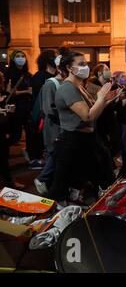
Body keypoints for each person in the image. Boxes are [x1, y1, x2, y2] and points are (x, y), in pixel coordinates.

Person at [49, 51, 119, 206]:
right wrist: (101, 98)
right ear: (69, 67)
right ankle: (57, 219)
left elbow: (94, 110)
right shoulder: (67, 88)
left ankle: (106, 208)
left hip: (87, 140)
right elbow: (87, 116)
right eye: (81, 64)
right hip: (73, 141)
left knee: (103, 174)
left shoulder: (79, 86)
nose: (85, 67)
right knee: (61, 185)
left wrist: (107, 100)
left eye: (86, 64)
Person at [34, 48, 69, 195]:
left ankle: (51, 188)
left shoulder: (65, 83)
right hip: (53, 127)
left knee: (57, 157)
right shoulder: (50, 84)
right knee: (54, 155)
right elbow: (49, 109)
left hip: (61, 127)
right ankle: (42, 180)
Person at [28, 50, 58, 169]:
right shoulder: (40, 76)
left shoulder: (54, 76)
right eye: (54, 58)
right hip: (44, 113)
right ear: (48, 60)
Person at [5, 51, 34, 162]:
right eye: (18, 56)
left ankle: (31, 154)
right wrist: (27, 91)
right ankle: (3, 151)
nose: (21, 58)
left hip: (27, 108)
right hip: (15, 108)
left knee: (30, 133)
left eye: (23, 56)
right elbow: (10, 92)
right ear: (13, 59)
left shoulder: (28, 74)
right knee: (15, 136)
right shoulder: (9, 74)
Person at [0, 71, 23, 189]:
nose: (3, 81)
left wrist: (10, 110)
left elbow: (12, 113)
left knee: (4, 157)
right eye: (2, 79)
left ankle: (9, 182)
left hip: (4, 130)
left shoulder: (5, 94)